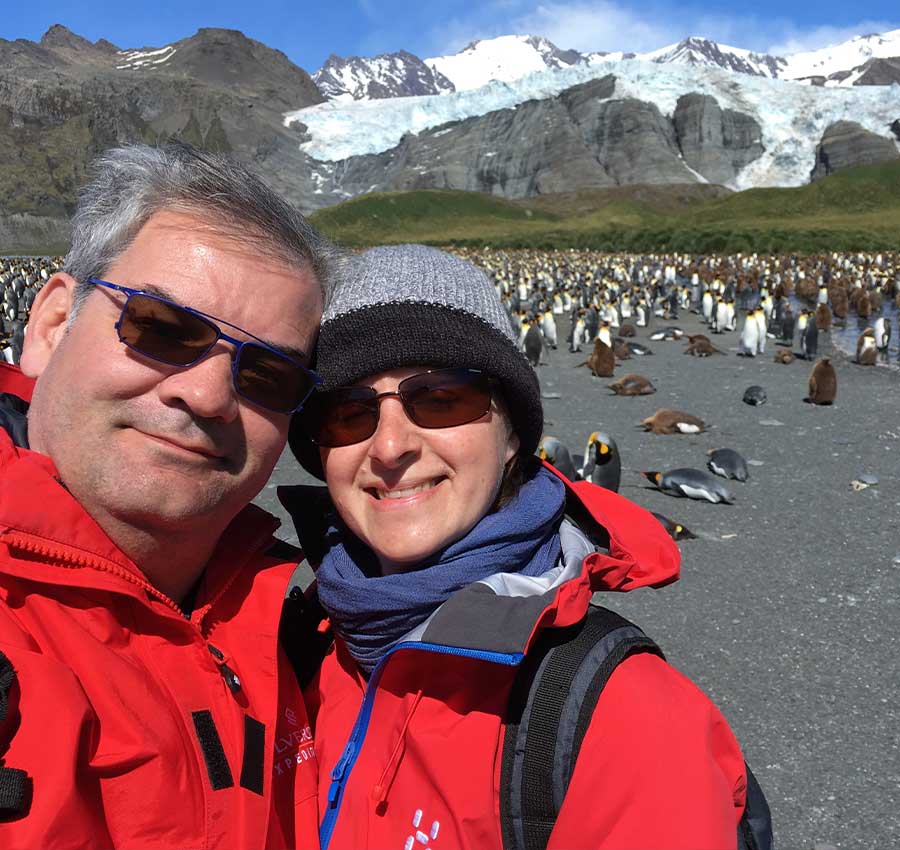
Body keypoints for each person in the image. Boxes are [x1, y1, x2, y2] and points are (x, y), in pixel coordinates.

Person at [281, 244, 752, 850]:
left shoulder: (621, 717)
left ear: (512, 437)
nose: (391, 446)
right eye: (348, 412)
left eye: (443, 399)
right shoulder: (291, 651)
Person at [0, 143, 333, 849]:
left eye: (268, 375)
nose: (208, 394)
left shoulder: (312, 644)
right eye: (163, 330)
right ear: (53, 323)